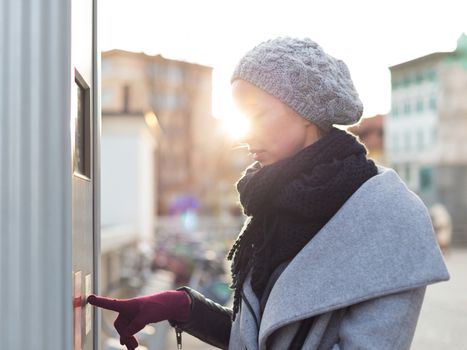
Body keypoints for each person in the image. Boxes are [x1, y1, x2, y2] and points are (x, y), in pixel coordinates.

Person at [88, 37, 450, 350]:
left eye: (256, 115)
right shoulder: (270, 203)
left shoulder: (387, 216)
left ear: (306, 111)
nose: (244, 135)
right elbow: (261, 336)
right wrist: (183, 307)